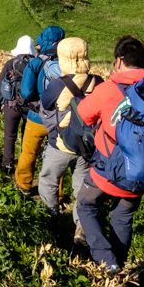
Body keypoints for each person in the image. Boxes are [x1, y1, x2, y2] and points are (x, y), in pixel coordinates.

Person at [75, 35, 144, 273]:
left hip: (109, 169)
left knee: (86, 204)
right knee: (123, 214)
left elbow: (84, 114)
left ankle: (107, 263)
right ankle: (119, 261)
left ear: (119, 61)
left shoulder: (109, 89)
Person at [37, 36, 102, 238]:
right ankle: (82, 225)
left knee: (49, 180)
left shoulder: (58, 84)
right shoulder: (98, 82)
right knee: (82, 185)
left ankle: (52, 216)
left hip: (61, 143)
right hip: (87, 145)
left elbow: (46, 104)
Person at [14, 25, 65, 196]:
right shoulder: (67, 62)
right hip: (60, 118)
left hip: (37, 115)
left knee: (29, 151)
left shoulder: (36, 63)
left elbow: (26, 92)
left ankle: (24, 185)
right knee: (59, 156)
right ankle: (57, 194)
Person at [0, 34, 35, 174]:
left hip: (11, 105)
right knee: (26, 137)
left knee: (9, 136)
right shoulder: (37, 64)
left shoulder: (10, 63)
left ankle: (7, 164)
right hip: (30, 106)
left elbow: (0, 85)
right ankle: (24, 165)